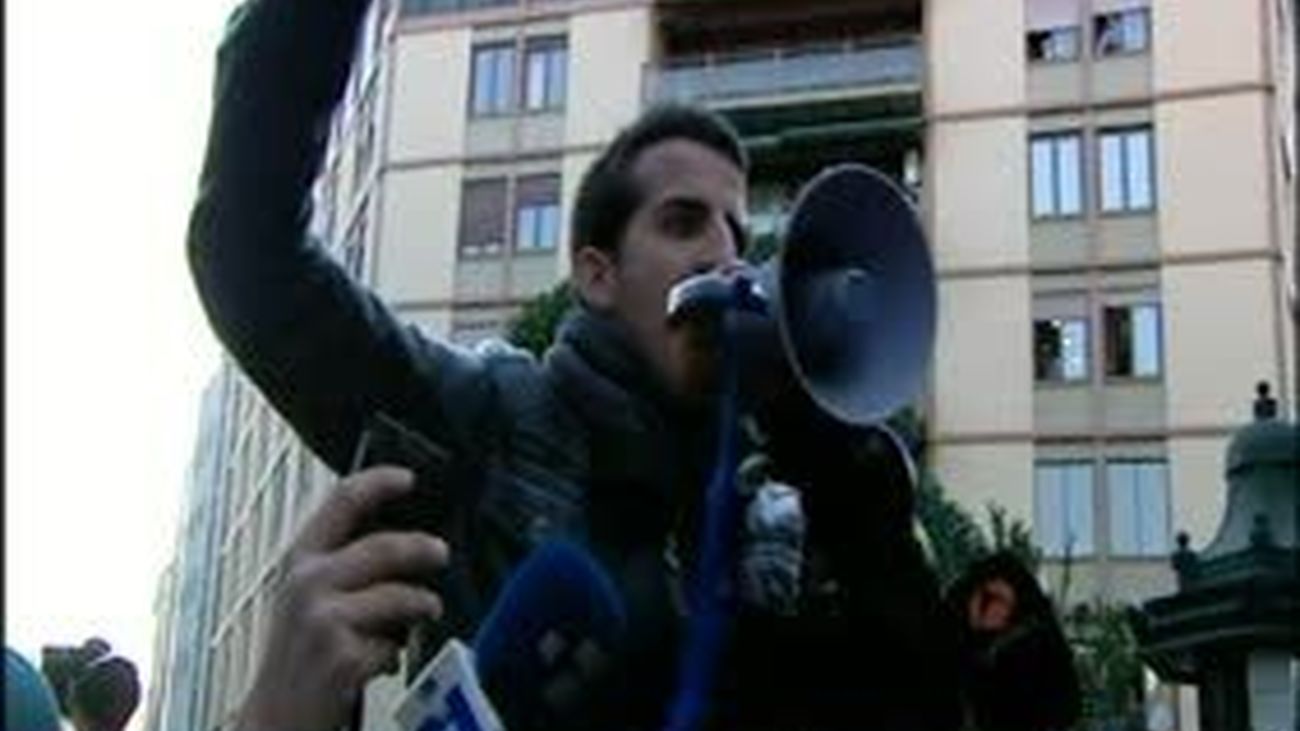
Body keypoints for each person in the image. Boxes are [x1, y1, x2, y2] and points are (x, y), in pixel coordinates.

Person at [190, 0, 963, 729]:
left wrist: (844, 476)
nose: (725, 258)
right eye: (683, 221)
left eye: (736, 230)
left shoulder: (771, 519)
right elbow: (249, 259)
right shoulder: (489, 417)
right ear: (597, 275)